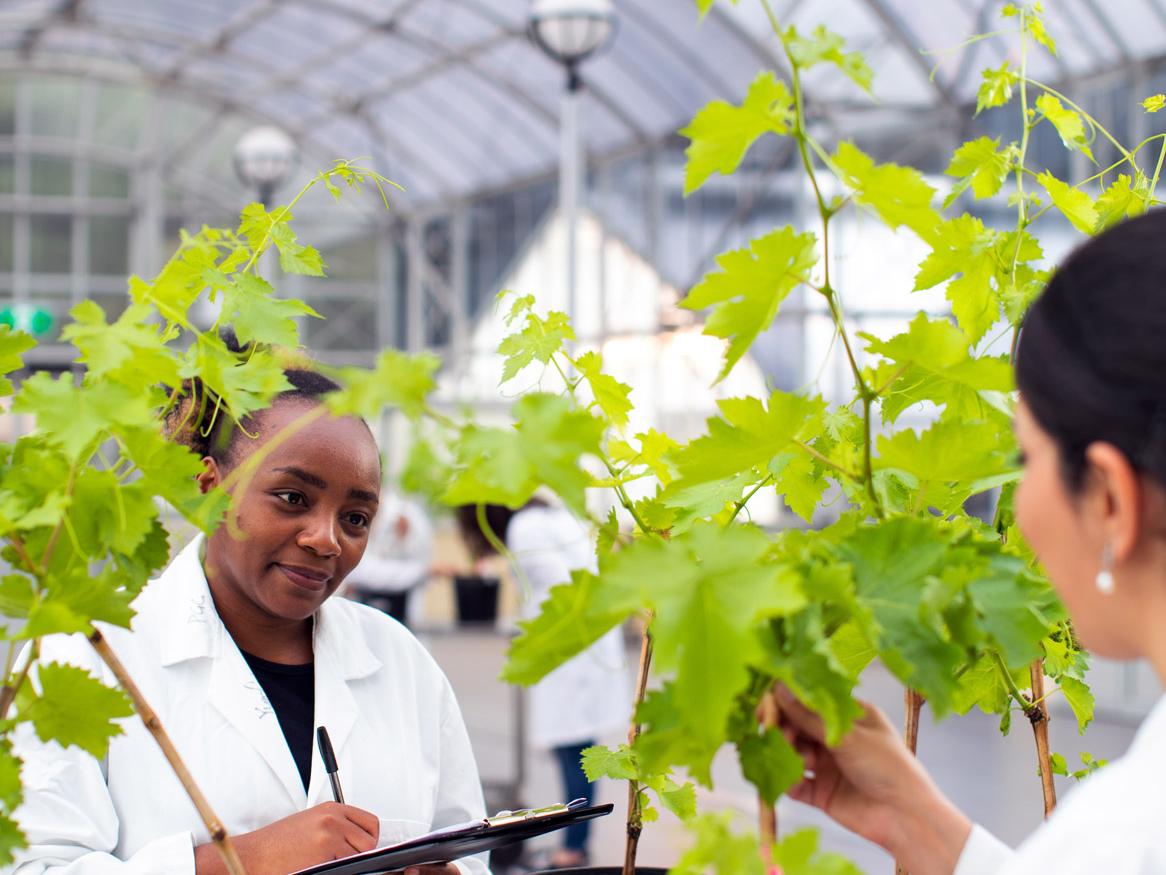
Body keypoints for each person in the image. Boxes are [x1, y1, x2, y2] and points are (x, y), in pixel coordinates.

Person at [775, 210, 1166, 874]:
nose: (1018, 500)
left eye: (1025, 457)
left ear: (1108, 498)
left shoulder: (1127, 833)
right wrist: (914, 819)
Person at [11, 367, 489, 875]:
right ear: (210, 486)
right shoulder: (90, 652)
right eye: (292, 498)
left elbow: (469, 851)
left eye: (355, 518)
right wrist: (244, 861)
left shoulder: (400, 660)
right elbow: (31, 867)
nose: (326, 539)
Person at [455, 501, 629, 869]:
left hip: (570, 649)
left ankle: (574, 849)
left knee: (574, 750)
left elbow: (558, 593)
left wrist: (530, 638)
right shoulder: (549, 516)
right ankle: (575, 843)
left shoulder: (526, 528)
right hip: (580, 646)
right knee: (576, 746)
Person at [345, 491, 434, 627]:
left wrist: (404, 539)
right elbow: (365, 572)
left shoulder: (407, 516)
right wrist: (426, 571)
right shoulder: (353, 537)